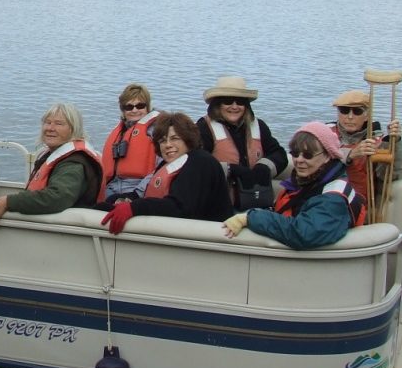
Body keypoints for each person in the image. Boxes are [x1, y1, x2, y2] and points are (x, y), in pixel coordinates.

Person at [0, 103, 102, 271]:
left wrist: (6, 202)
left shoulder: (73, 164)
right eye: (47, 122)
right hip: (45, 228)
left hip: (57, 237)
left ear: (74, 129)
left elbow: (57, 197)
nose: (50, 128)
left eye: (59, 124)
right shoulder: (55, 155)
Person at [223, 121, 366, 249]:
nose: (299, 160)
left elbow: (303, 233)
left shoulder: (334, 200)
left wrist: (250, 218)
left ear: (328, 156)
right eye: (295, 153)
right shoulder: (311, 182)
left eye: (308, 155)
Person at [101, 112, 233, 234]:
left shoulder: (200, 162)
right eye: (163, 141)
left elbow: (180, 207)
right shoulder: (168, 164)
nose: (168, 145)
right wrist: (120, 201)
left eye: (174, 138)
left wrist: (134, 208)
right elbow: (144, 194)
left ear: (188, 139)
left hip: (208, 239)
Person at [196, 76, 288, 209]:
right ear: (217, 104)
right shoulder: (204, 128)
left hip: (256, 202)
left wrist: (263, 167)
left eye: (240, 102)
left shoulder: (259, 126)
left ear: (246, 105)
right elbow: (198, 163)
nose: (234, 107)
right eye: (227, 101)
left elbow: (279, 154)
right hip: (218, 206)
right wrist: (231, 170)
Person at [329, 89, 402, 201]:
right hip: (326, 196)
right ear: (338, 113)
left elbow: (394, 174)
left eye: (357, 111)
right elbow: (314, 162)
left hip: (357, 203)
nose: (350, 116)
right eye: (344, 110)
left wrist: (394, 142)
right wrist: (350, 154)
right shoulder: (325, 134)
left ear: (367, 116)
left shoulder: (376, 142)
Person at [99, 83, 160, 204]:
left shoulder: (156, 130)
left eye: (140, 106)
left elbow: (161, 167)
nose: (135, 110)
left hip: (138, 189)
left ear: (147, 107)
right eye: (129, 107)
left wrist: (136, 194)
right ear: (123, 109)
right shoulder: (120, 130)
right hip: (112, 187)